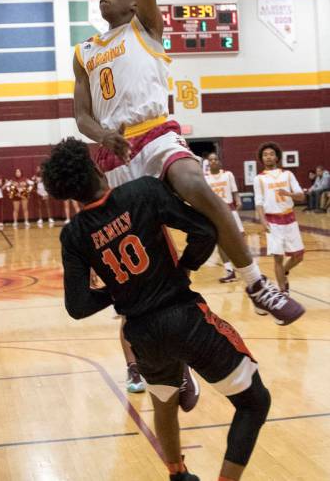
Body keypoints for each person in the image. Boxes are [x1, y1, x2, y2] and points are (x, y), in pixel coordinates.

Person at [72, 0, 303, 324]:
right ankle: (160, 357)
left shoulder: (146, 27)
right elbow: (81, 115)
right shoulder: (85, 52)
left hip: (156, 133)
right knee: (145, 257)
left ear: (136, 3)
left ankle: (257, 283)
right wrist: (101, 136)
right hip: (115, 152)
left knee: (196, 183)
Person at [42, 138, 271, 481]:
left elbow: (77, 307)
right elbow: (204, 230)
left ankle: (177, 474)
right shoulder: (143, 192)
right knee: (254, 402)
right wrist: (183, 267)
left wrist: (122, 289)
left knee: (164, 399)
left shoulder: (73, 235)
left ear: (67, 194)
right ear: (95, 167)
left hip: (141, 335)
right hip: (183, 316)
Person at [253, 143, 306, 296]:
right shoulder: (259, 179)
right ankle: (283, 291)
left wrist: (288, 194)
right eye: (265, 154)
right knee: (278, 258)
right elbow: (259, 202)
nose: (268, 156)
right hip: (272, 221)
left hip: (290, 219)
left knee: (298, 256)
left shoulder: (287, 175)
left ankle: (284, 271)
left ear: (277, 157)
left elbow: (301, 195)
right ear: (261, 159)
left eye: (271, 154)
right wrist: (263, 221)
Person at [204, 154, 244, 283]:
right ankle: (229, 271)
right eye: (211, 160)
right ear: (208, 163)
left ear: (219, 161)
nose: (213, 161)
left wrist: (238, 200)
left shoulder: (228, 175)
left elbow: (235, 192)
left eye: (215, 159)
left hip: (230, 210)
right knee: (221, 242)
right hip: (215, 212)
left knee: (240, 240)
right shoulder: (205, 178)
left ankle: (246, 268)